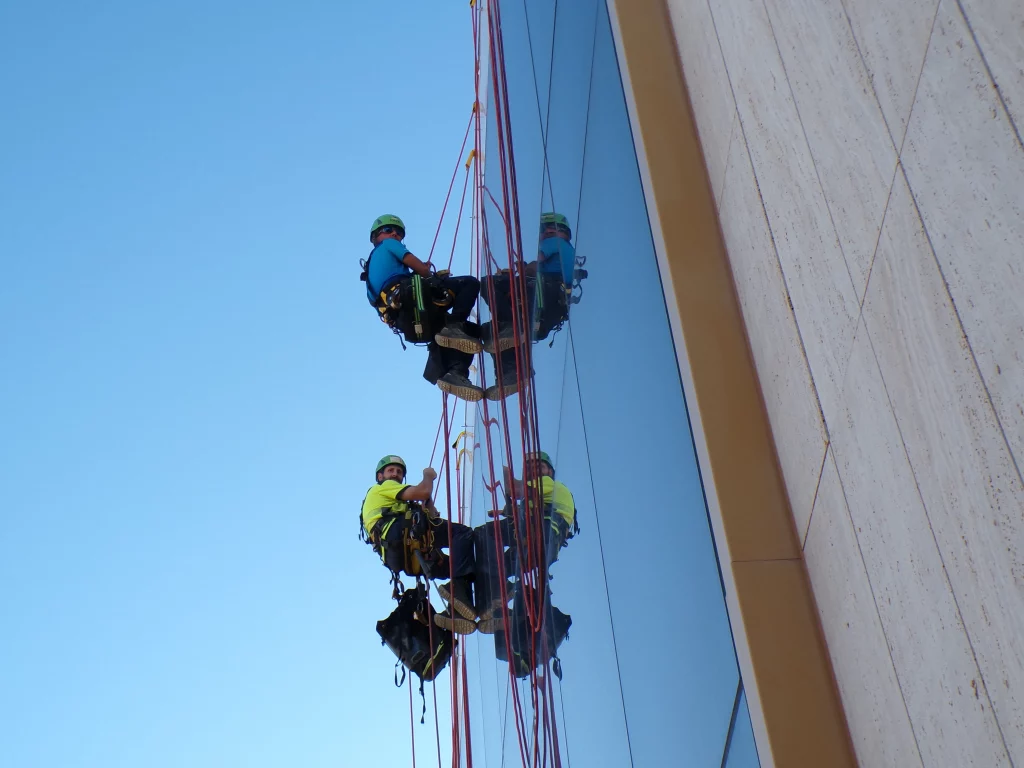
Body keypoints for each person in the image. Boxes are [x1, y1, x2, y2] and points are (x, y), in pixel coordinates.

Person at [362, 214, 484, 401]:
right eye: (388, 230)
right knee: (469, 284)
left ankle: (455, 373)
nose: (395, 234)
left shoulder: (369, 274)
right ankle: (455, 327)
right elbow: (423, 270)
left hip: (404, 319)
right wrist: (427, 272)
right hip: (412, 300)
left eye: (399, 233)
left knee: (467, 332)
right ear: (376, 236)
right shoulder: (389, 246)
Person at [360, 454, 481, 634]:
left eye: (399, 472)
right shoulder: (382, 488)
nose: (395, 474)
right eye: (391, 470)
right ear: (380, 477)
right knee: (462, 533)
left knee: (461, 567)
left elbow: (431, 514)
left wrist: (425, 502)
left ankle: (456, 611)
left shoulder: (394, 503)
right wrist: (428, 476)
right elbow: (423, 491)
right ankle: (461, 594)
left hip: (405, 555)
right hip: (404, 536)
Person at [478, 213, 584, 400]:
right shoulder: (570, 251)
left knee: (488, 283)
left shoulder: (553, 242)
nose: (543, 234)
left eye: (546, 229)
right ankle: (515, 375)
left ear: (558, 230)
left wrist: (522, 269)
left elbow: (535, 267)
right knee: (493, 332)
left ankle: (508, 345)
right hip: (548, 315)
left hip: (540, 292)